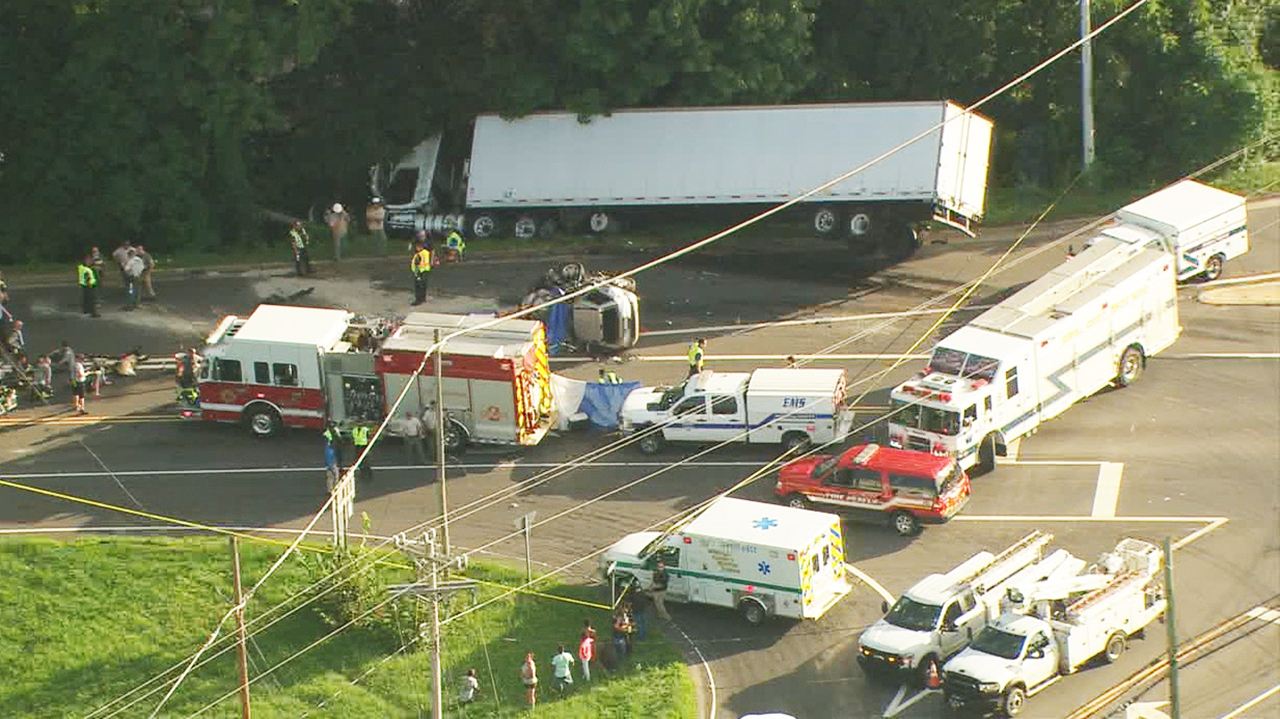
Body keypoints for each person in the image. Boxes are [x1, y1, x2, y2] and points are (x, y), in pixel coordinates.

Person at [410, 238, 432, 305]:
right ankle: (422, 298)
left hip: (420, 271)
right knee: (423, 286)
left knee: (418, 286)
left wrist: (417, 272)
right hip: (424, 271)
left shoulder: (420, 254)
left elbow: (418, 263)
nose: (416, 248)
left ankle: (418, 300)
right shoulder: (425, 253)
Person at [323, 422, 342, 491]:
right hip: (332, 463)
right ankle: (335, 489)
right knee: (335, 475)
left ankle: (330, 489)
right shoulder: (331, 449)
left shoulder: (328, 435)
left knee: (330, 477)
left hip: (330, 462)